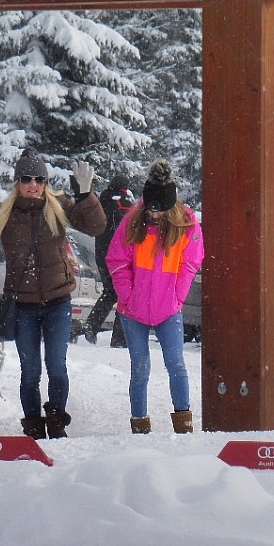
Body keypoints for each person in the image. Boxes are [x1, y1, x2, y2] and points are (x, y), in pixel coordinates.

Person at [0, 147, 106, 439]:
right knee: (30, 371)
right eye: (26, 178)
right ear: (17, 182)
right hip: (23, 306)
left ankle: (56, 423)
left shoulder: (58, 207)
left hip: (57, 303)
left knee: (57, 366)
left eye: (39, 179)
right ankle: (34, 428)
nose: (33, 185)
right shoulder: (6, 213)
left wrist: (86, 195)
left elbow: (97, 226)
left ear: (46, 182)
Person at [106, 158, 204, 434]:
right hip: (133, 311)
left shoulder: (186, 226)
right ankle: (139, 425)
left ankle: (183, 423)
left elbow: (191, 263)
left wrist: (177, 298)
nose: (155, 215)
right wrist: (128, 296)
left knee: (176, 364)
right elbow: (116, 262)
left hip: (168, 310)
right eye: (151, 208)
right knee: (140, 368)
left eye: (161, 210)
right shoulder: (132, 223)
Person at [82, 176, 135, 346]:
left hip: (102, 254)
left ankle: (92, 325)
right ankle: (119, 338)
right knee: (123, 294)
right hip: (117, 256)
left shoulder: (102, 201)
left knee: (111, 292)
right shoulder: (121, 202)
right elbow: (127, 227)